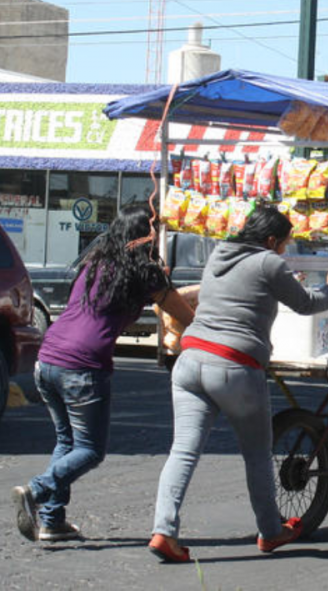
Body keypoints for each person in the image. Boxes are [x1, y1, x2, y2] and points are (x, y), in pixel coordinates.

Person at [148, 203, 328, 563]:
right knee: (257, 454)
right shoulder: (268, 262)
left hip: (190, 361)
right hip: (233, 367)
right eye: (285, 243)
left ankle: (164, 531)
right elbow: (305, 304)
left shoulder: (219, 254)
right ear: (271, 240)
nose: (286, 251)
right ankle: (271, 532)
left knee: (183, 451)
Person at [12, 206, 195, 543]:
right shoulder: (145, 273)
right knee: (90, 450)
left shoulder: (96, 261)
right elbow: (186, 316)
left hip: (48, 357)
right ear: (148, 237)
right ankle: (36, 491)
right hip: (82, 367)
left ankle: (52, 521)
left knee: (67, 443)